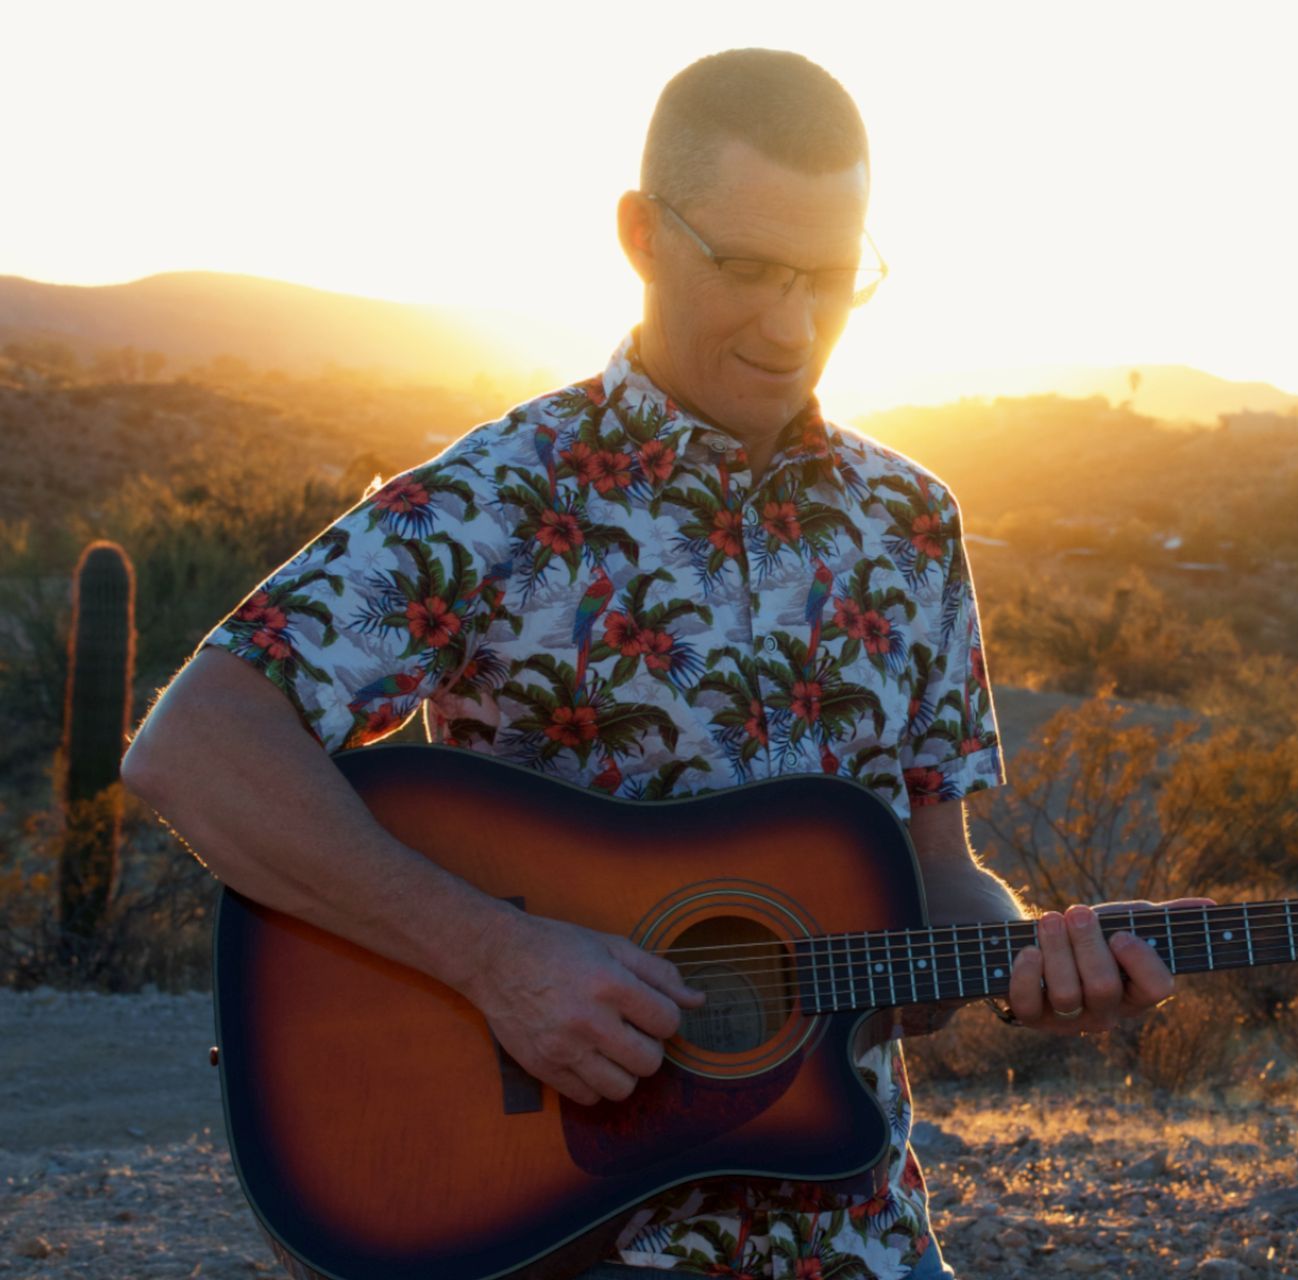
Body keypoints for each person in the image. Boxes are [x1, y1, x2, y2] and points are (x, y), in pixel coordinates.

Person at [122, 47, 1196, 1280]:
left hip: (854, 1235)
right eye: (745, 267)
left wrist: (1033, 961)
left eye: (832, 278)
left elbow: (936, 877)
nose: (791, 325)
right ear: (640, 233)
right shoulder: (506, 497)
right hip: (561, 1236)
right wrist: (495, 955)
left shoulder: (910, 523)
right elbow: (196, 743)